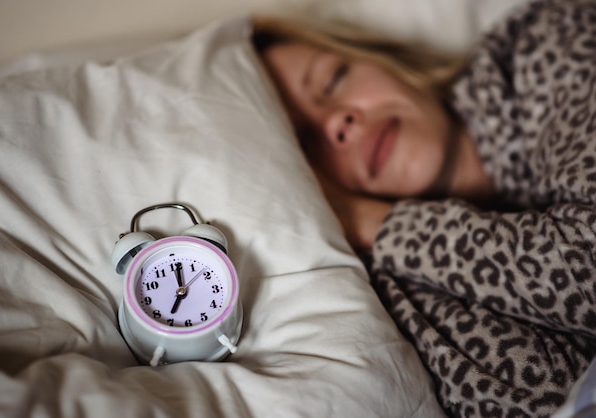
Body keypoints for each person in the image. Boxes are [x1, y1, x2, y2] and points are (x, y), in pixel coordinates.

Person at [251, 0, 596, 417]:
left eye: (333, 80)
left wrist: (364, 219)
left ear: (382, 60)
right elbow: (542, 396)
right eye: (304, 143)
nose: (336, 123)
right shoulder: (382, 293)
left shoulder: (547, 39)